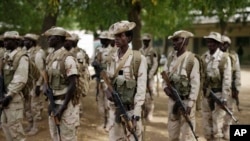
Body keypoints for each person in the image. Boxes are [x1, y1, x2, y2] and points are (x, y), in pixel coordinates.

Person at [104, 20, 147, 141]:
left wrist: (136, 116)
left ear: (128, 37)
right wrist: (107, 91)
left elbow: (141, 89)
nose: (116, 38)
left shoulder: (138, 59)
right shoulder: (111, 58)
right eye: (115, 36)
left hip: (131, 112)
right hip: (114, 112)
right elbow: (108, 81)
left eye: (120, 35)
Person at [163, 30, 200, 141]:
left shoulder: (192, 60)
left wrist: (190, 104)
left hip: (186, 102)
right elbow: (164, 77)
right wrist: (165, 88)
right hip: (172, 101)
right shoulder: (170, 59)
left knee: (187, 136)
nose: (174, 42)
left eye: (176, 40)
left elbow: (195, 84)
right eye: (173, 40)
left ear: (185, 41)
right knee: (172, 134)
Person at [43, 27, 79, 141]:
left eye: (50, 38)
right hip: (53, 102)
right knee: (55, 136)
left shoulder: (67, 58)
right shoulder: (50, 57)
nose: (48, 40)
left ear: (58, 39)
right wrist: (45, 87)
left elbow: (73, 84)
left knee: (67, 137)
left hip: (65, 105)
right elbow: (47, 78)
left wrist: (62, 108)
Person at [202, 32, 231, 141]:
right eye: (209, 41)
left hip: (218, 95)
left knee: (217, 127)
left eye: (213, 42)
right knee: (206, 127)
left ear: (219, 44)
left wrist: (223, 98)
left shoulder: (224, 58)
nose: (210, 44)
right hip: (206, 96)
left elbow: (226, 80)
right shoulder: (204, 57)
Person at [0, 31, 28, 141]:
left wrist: (9, 96)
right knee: (6, 127)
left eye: (8, 40)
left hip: (14, 99)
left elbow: (20, 79)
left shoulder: (21, 57)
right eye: (5, 40)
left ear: (16, 41)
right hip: (5, 97)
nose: (5, 43)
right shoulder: (6, 56)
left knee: (16, 132)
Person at [23, 33, 46, 135]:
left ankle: (35, 126)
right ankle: (30, 124)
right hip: (26, 84)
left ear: (31, 42)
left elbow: (40, 71)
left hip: (34, 84)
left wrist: (38, 85)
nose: (24, 42)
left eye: (27, 40)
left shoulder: (38, 53)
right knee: (27, 106)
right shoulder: (25, 51)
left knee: (34, 106)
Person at [220, 35, 241, 140]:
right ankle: (218, 129)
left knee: (230, 109)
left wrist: (236, 88)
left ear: (228, 44)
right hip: (218, 87)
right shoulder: (216, 54)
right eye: (221, 43)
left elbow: (237, 72)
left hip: (230, 87)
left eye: (225, 43)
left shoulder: (233, 56)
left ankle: (227, 128)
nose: (223, 45)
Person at [139, 33, 158, 121]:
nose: (145, 42)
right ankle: (143, 112)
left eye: (147, 41)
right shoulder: (140, 51)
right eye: (144, 41)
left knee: (151, 93)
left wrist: (150, 75)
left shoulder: (152, 51)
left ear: (149, 41)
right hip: (141, 76)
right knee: (141, 92)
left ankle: (150, 113)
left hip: (149, 76)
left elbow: (155, 64)